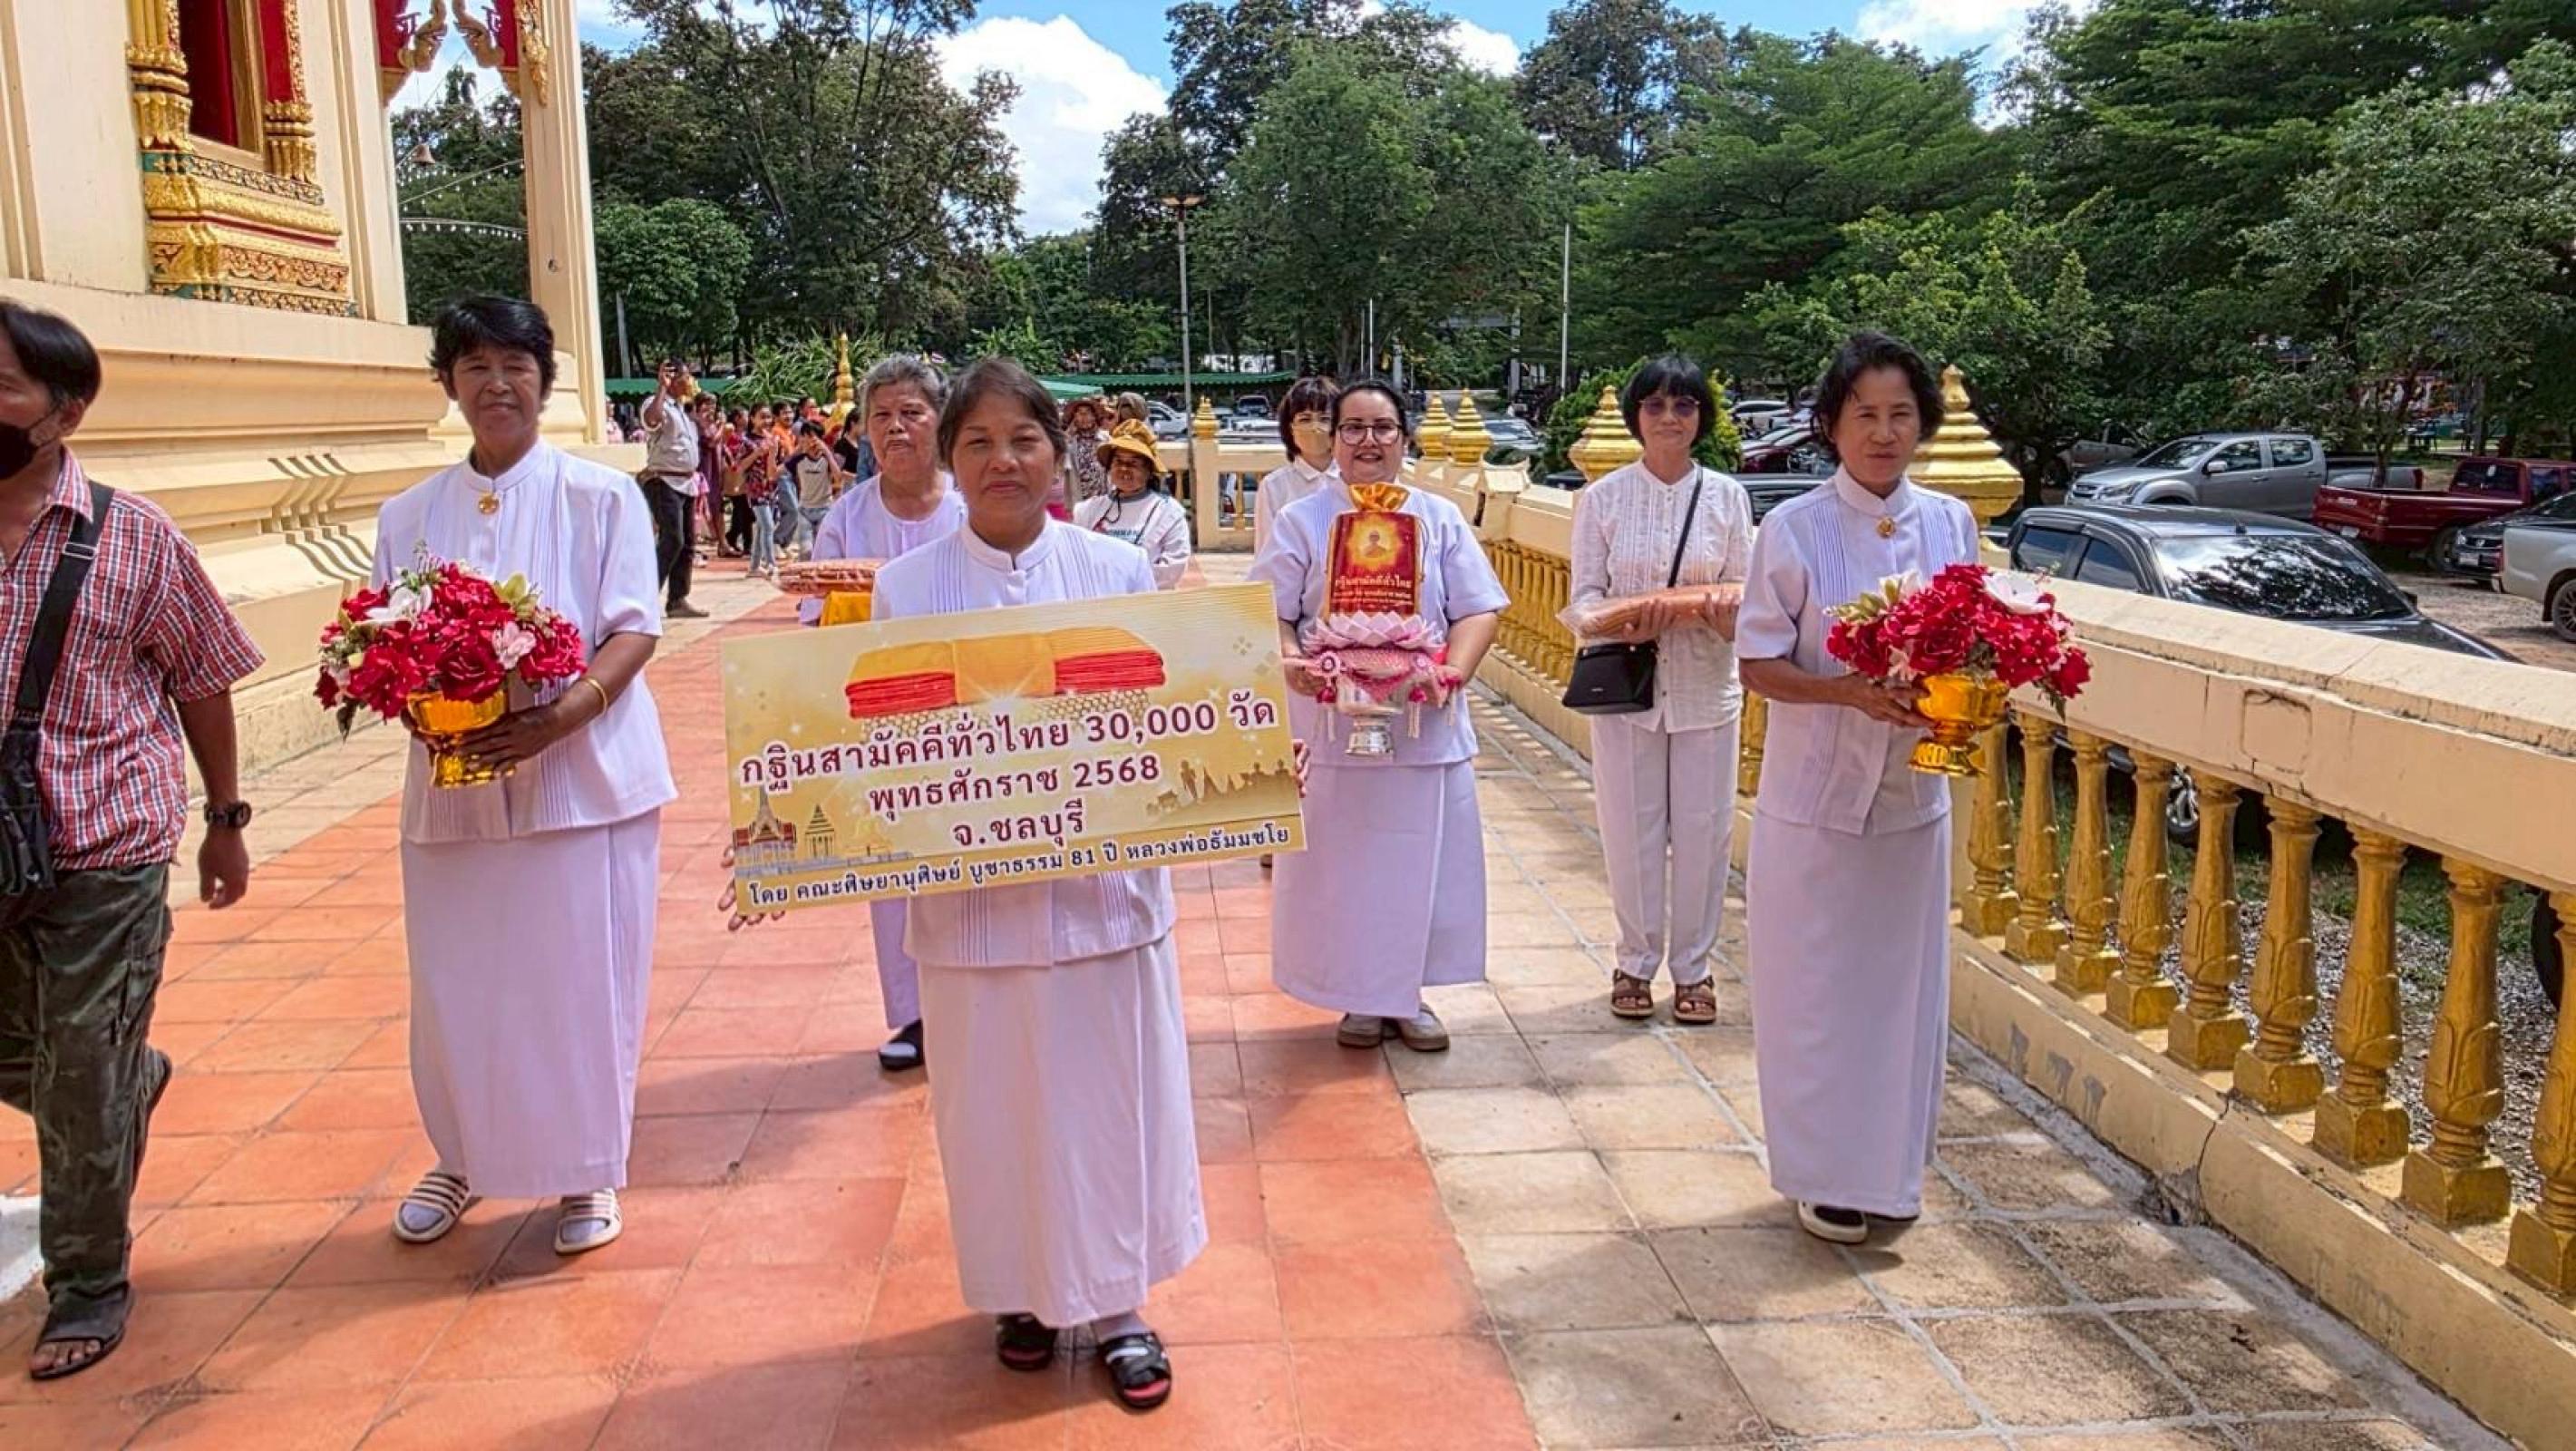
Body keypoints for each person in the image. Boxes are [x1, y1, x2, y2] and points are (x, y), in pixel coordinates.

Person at [870, 357, 1201, 1411]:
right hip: (973, 914)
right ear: (950, 460)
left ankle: (1118, 1304)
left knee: (1111, 1099)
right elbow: (880, 743)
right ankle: (1015, 1288)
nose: (1002, 459)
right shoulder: (906, 586)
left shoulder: (1114, 570)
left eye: (1024, 438)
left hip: (1105, 899)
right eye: (979, 441)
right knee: (993, 1106)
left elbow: (1169, 720)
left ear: (1060, 452)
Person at [378, 297, 676, 1260]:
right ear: (449, 385)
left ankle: (585, 1166)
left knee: (578, 979)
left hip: (584, 782)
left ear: (544, 380)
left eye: (516, 365)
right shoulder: (408, 515)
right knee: (459, 981)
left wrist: (558, 719)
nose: (497, 384)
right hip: (455, 788)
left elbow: (635, 625)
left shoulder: (602, 496)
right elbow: (386, 638)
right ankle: (462, 1155)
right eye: (475, 367)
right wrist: (412, 698)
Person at [0, 300, 260, 1381]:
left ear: (63, 412)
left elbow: (202, 680)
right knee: (67, 1065)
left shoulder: (135, 538)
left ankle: (89, 1283)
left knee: (79, 1066)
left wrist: (225, 820)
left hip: (103, 838)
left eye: (1, 385)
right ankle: (119, 1082)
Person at [1735, 331, 1978, 1246]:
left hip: (1912, 799)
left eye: (1900, 415)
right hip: (1813, 796)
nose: (1883, 433)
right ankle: (1822, 1171)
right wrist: (1846, 692)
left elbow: (1969, 638)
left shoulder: (1952, 522)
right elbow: (1757, 660)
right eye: (1864, 414)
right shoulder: (1792, 528)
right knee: (1814, 988)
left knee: (1900, 988)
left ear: (1923, 425)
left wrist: (1957, 696)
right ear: (1831, 425)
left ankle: (1890, 1171)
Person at [1254, 381, 1506, 1052]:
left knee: (1416, 860)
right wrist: (1290, 662)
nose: (1368, 442)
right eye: (1354, 428)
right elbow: (1269, 609)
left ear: (1405, 439)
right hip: (1333, 718)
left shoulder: (1439, 517)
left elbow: (1477, 608)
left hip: (1421, 718)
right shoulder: (1303, 521)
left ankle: (1407, 994)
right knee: (1345, 863)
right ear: (1332, 439)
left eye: (1383, 428)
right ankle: (1357, 996)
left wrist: (1451, 672)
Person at [1569, 355, 1753, 1026]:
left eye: (1683, 406)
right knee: (1630, 830)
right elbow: (1583, 598)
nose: (1670, 418)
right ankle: (1634, 960)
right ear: (1636, 418)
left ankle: (1695, 969)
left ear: (1700, 417)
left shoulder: (1728, 498)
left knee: (1704, 833)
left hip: (1706, 686)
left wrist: (1712, 611)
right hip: (1628, 686)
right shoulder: (1603, 498)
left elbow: (1747, 594)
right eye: (1656, 407)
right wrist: (1630, 615)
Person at [797, 355, 966, 1072]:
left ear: (940, 420)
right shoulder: (848, 514)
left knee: (972, 860)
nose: (896, 428)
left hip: (967, 714)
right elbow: (815, 616)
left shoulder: (969, 505)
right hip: (881, 720)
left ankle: (976, 1006)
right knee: (895, 873)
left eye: (912, 413)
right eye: (882, 416)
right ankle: (913, 1015)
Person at [1075, 419, 1191, 589]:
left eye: (1133, 463)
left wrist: (1121, 584)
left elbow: (1172, 570)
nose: (1124, 469)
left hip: (1145, 605)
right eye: (1118, 462)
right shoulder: (1089, 510)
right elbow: (1077, 560)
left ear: (1149, 470)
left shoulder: (1168, 513)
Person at [638, 358, 707, 619]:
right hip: (663, 480)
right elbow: (652, 420)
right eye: (685, 376)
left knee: (688, 543)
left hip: (686, 482)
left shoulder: (683, 411)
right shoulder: (658, 404)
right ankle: (645, 596)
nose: (689, 382)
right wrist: (662, 389)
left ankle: (678, 599)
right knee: (672, 539)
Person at [1253, 375, 1338, 556]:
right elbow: (1266, 552)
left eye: (1324, 419)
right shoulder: (1274, 486)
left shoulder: (1355, 480)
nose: (1316, 427)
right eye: (1305, 419)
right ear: (1289, 427)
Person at [730, 404, 786, 578]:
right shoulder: (746, 441)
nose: (766, 421)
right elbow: (739, 467)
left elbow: (776, 466)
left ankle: (754, 566)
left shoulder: (773, 439)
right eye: (762, 417)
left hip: (770, 488)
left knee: (763, 528)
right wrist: (757, 453)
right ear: (753, 418)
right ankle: (770, 563)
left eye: (768, 417)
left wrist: (773, 453)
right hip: (755, 489)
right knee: (768, 526)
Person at [789, 419, 846, 548]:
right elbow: (775, 473)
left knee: (823, 548)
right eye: (804, 436)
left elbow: (838, 479)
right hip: (804, 510)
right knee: (806, 550)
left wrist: (827, 453)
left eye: (812, 437)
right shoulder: (799, 459)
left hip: (825, 509)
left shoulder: (827, 458)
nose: (808, 441)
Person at [1060, 396, 1109, 511]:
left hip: (1102, 498)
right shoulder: (1069, 442)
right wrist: (1066, 440)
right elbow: (1060, 468)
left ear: (1095, 417)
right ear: (1074, 417)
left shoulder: (1106, 439)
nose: (1083, 417)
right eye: (1079, 413)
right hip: (1079, 499)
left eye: (1087, 413)